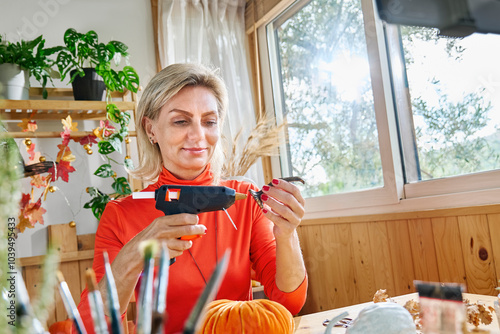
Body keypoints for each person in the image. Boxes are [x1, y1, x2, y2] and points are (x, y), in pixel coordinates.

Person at [76, 63, 308, 333]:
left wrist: (287, 233)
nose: (198, 135)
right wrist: (133, 255)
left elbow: (289, 302)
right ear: (151, 129)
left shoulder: (245, 200)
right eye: (181, 121)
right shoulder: (121, 214)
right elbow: (89, 327)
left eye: (209, 122)